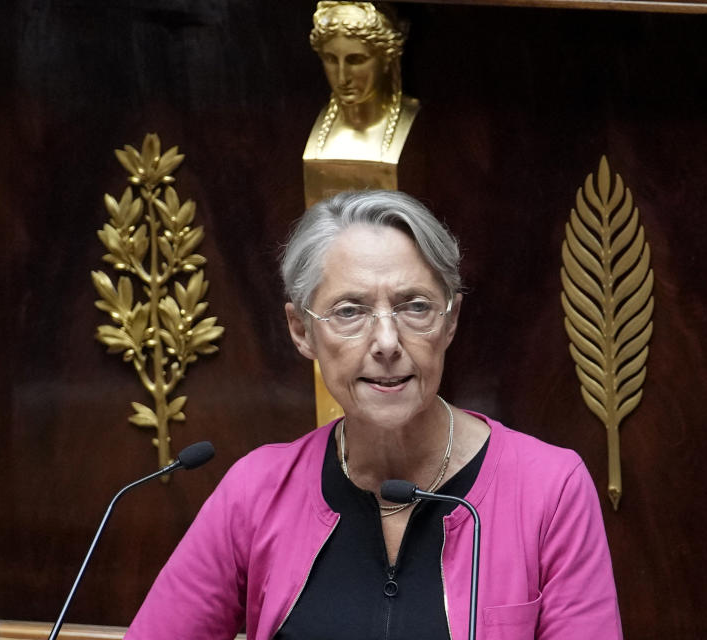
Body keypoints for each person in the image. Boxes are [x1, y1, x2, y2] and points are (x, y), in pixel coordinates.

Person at [125, 190, 623, 640]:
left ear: (450, 322)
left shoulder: (549, 490)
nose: (387, 343)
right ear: (301, 331)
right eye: (350, 311)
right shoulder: (257, 491)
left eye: (415, 307)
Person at [305, 2, 419, 163]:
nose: (342, 78)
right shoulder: (313, 128)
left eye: (356, 60)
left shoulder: (412, 119)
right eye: (331, 59)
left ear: (387, 58)